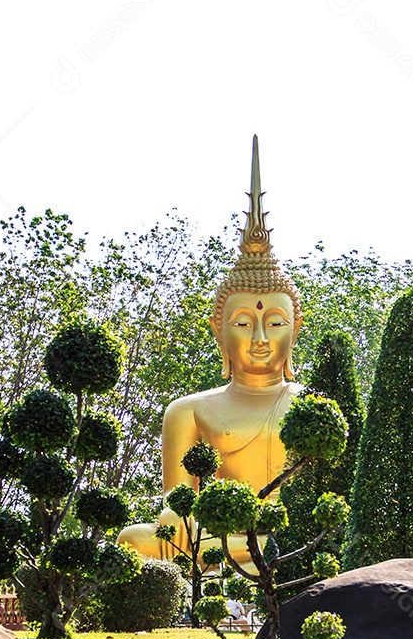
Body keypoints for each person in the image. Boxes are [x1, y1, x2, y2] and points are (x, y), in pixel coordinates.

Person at [119, 136, 302, 564]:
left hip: (298, 538)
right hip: (222, 542)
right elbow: (177, 506)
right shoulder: (189, 411)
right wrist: (186, 525)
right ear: (217, 331)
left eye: (275, 322)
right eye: (242, 323)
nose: (259, 337)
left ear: (296, 330)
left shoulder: (313, 408)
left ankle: (271, 552)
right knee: (134, 537)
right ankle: (254, 555)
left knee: (301, 540)